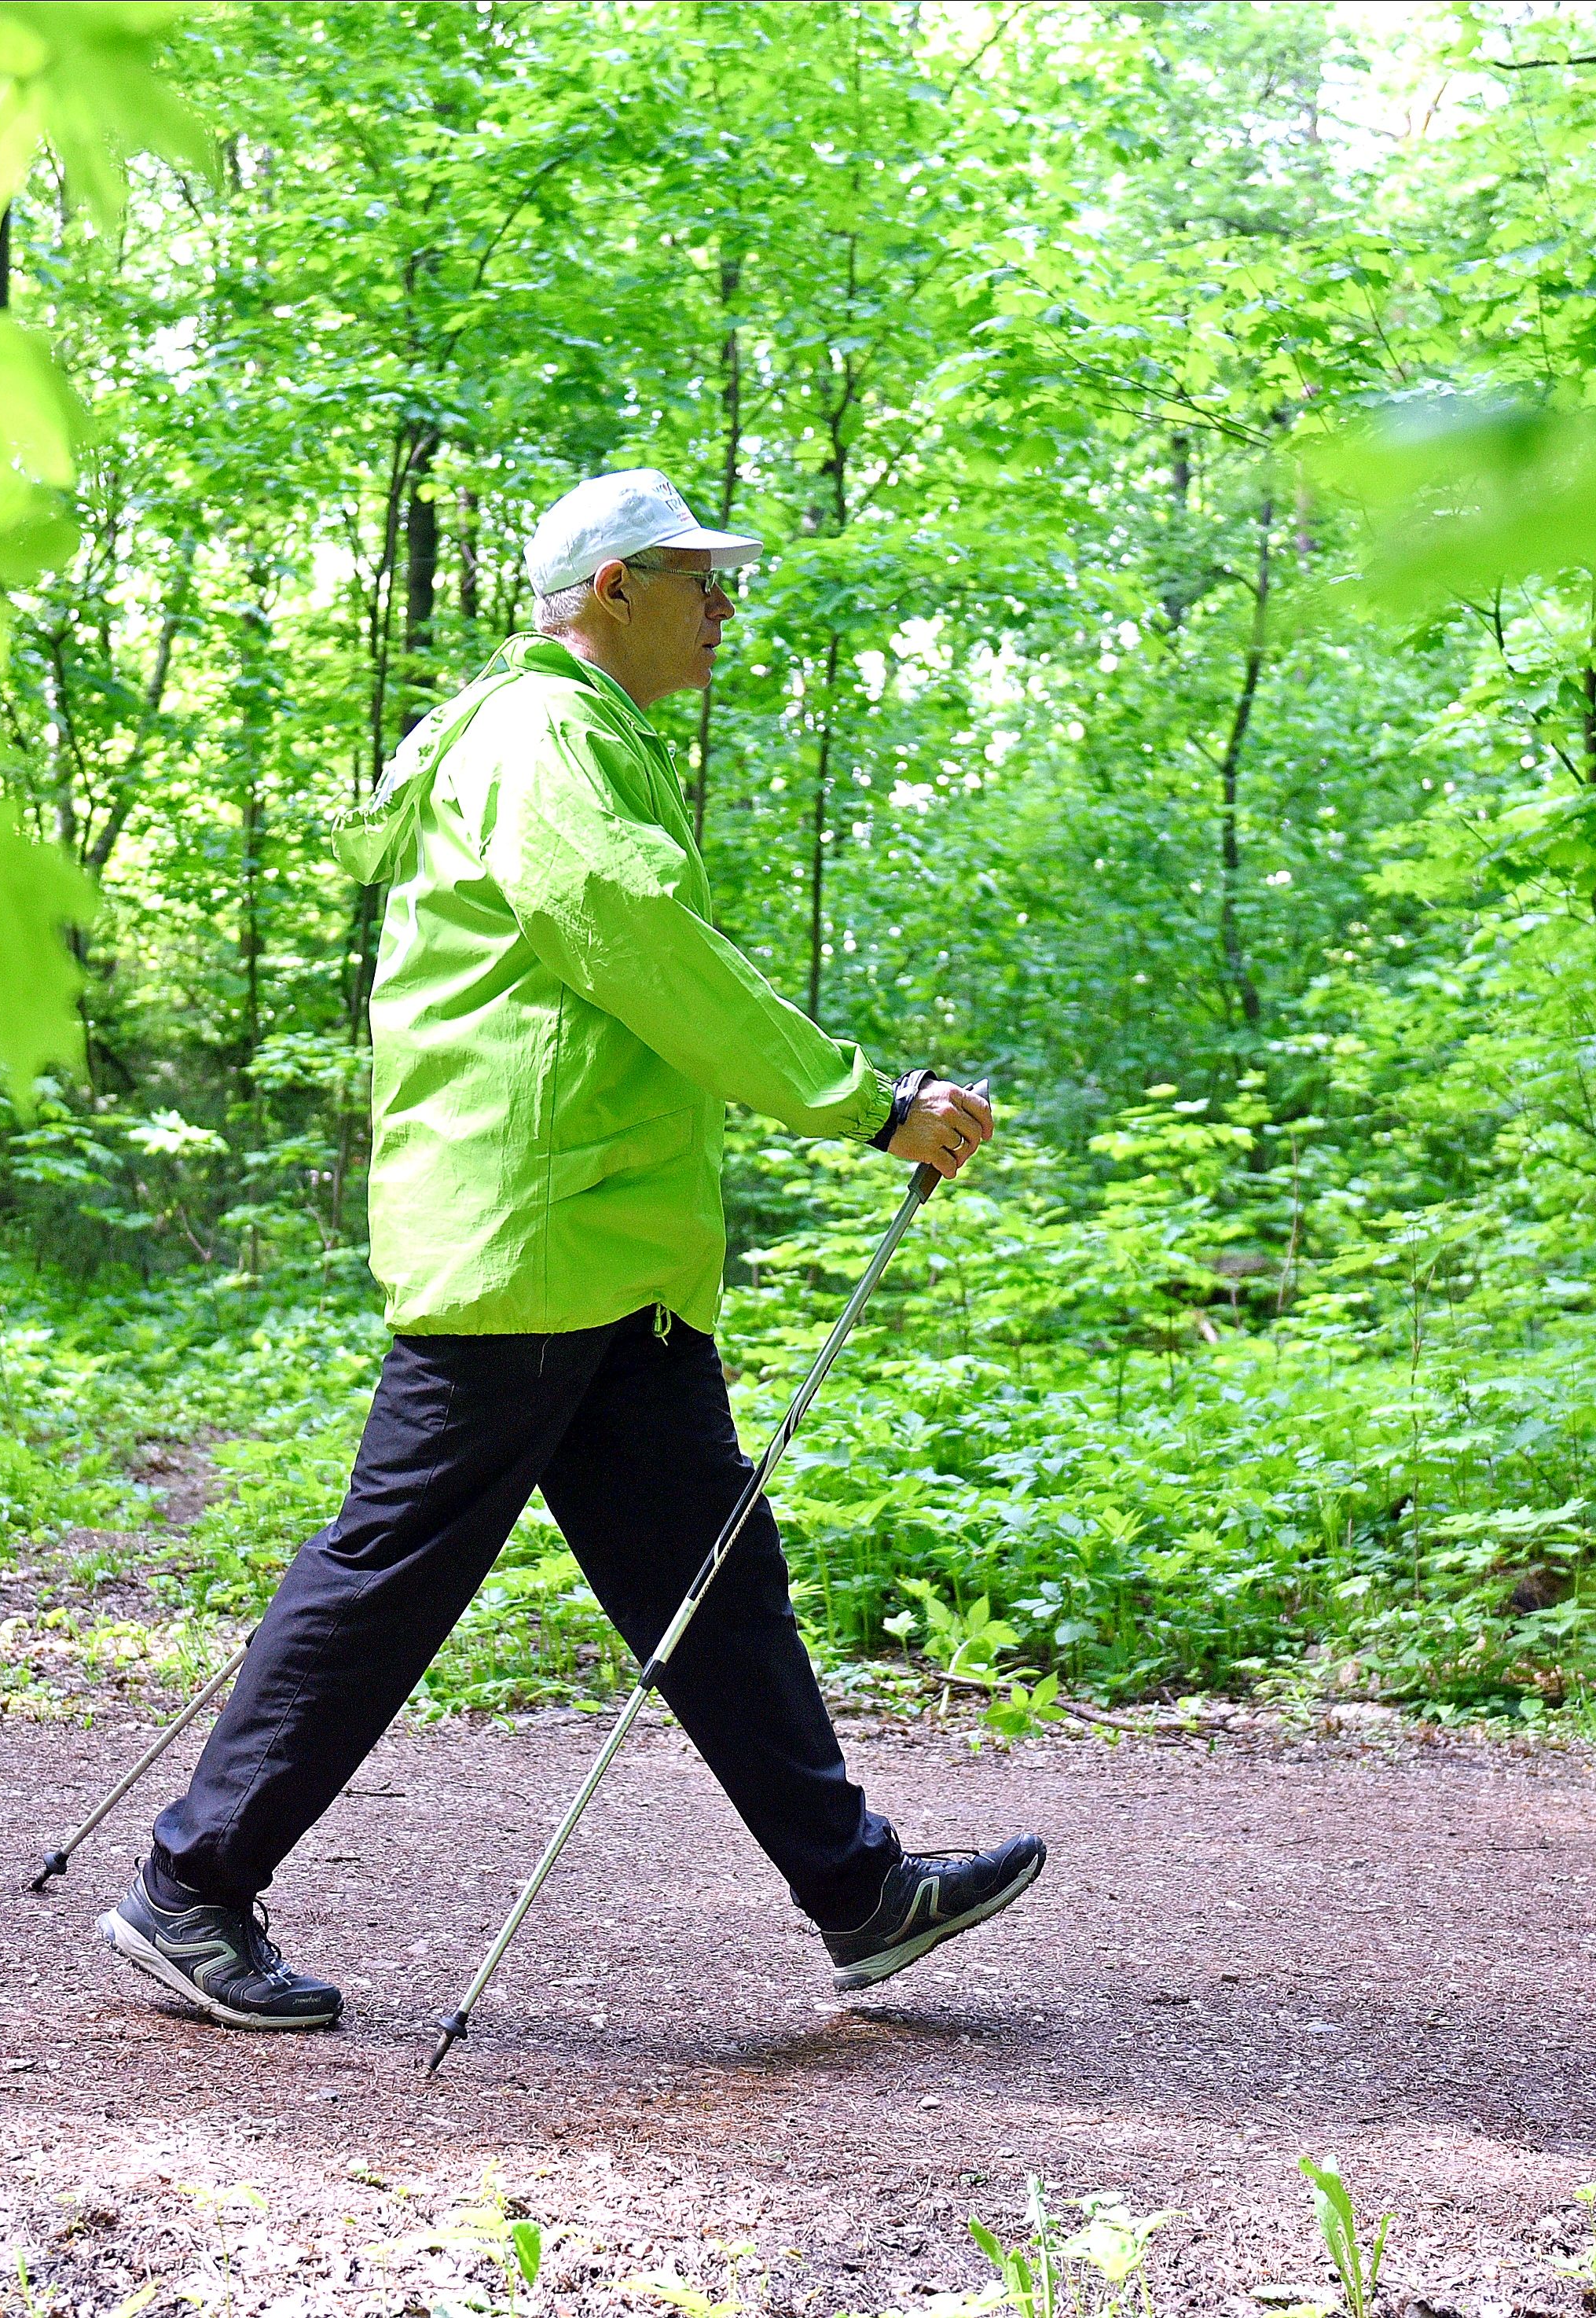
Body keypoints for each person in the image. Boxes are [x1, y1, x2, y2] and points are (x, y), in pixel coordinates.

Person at [98, 468, 1043, 2031]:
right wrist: (866, 1102)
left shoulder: (574, 738)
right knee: (393, 1569)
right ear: (615, 590)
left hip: (608, 1252)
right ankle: (193, 1887)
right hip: (534, 1236)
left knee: (716, 1576)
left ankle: (858, 1888)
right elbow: (644, 942)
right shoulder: (548, 740)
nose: (724, 606)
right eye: (699, 579)